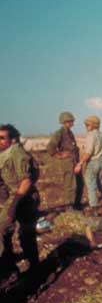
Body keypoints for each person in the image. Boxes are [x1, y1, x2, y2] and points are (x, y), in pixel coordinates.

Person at [0, 124, 40, 275]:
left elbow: (26, 181)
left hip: (24, 197)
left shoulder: (16, 152)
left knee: (25, 234)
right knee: (6, 231)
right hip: (14, 196)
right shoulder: (5, 153)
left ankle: (34, 269)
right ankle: (10, 266)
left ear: (14, 139)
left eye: (3, 138)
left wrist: (12, 206)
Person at [75, 115, 102, 210]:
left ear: (92, 125)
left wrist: (79, 164)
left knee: (91, 186)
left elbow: (88, 153)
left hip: (93, 163)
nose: (86, 127)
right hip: (101, 161)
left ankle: (94, 208)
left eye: (87, 125)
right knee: (101, 184)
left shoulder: (91, 136)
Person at [47, 111, 82, 209]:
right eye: (70, 121)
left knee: (79, 183)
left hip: (74, 161)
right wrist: (60, 155)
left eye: (72, 121)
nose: (72, 123)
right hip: (67, 162)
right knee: (69, 184)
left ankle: (77, 204)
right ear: (64, 122)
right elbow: (50, 148)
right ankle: (69, 206)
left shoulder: (70, 133)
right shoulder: (59, 133)